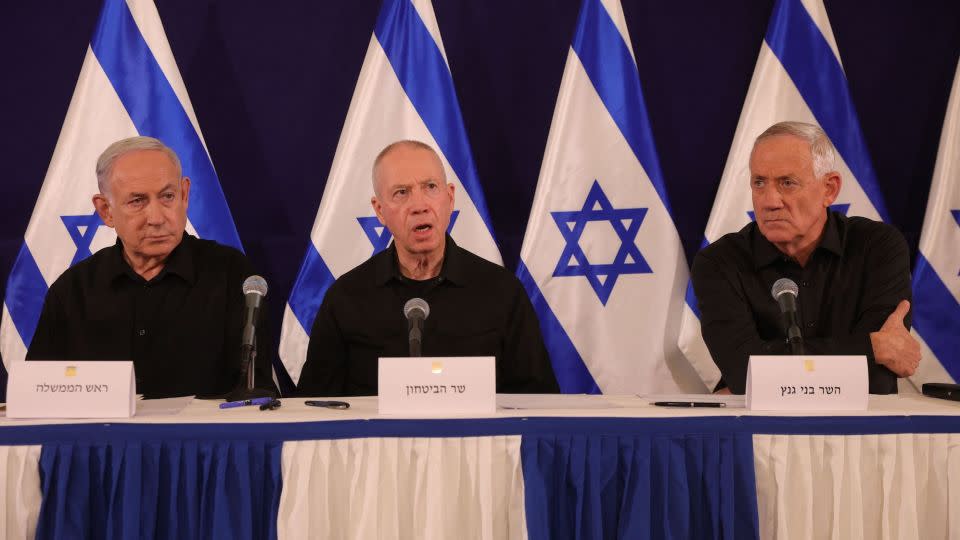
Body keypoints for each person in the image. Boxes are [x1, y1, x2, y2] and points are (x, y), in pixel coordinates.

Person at [297, 140, 559, 396]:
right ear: (379, 211)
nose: (420, 206)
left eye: (430, 187)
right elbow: (314, 408)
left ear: (450, 198)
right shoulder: (346, 297)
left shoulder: (502, 292)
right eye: (401, 193)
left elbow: (538, 401)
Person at [27, 136, 276, 399]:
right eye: (137, 201)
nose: (157, 218)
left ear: (184, 195)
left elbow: (252, 393)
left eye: (168, 196)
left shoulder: (231, 274)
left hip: (202, 439)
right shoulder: (72, 291)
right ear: (105, 211)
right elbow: (39, 396)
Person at [691, 121, 920, 394]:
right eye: (759, 183)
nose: (770, 200)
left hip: (861, 429)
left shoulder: (878, 248)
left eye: (787, 183)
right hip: (763, 431)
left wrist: (772, 370)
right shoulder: (719, 263)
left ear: (829, 189)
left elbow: (878, 375)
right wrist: (871, 347)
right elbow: (743, 372)